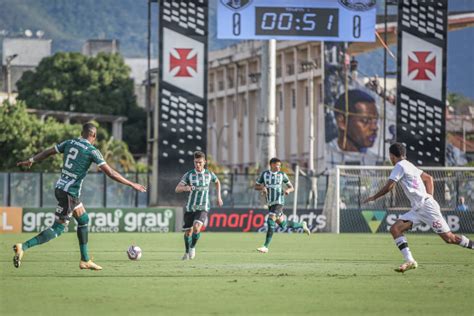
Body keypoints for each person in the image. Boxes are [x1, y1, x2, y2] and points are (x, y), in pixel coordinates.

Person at [13, 123, 146, 270]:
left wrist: (32, 160)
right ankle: (23, 246)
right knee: (58, 228)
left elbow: (48, 152)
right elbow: (111, 173)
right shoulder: (92, 151)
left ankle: (85, 260)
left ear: (82, 133)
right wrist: (132, 184)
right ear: (93, 136)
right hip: (70, 193)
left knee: (83, 219)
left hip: (61, 188)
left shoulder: (69, 142)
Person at [364, 143, 473, 273]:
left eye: (390, 156)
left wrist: (374, 197)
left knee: (449, 238)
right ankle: (410, 260)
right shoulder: (409, 165)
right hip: (418, 209)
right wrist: (429, 197)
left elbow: (389, 186)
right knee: (395, 229)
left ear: (392, 156)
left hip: (427, 208)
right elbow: (429, 179)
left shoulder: (399, 166)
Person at [255, 158, 311, 253]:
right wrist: (263, 188)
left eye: (280, 165)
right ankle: (302, 225)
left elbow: (291, 187)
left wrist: (288, 191)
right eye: (277, 165)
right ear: (272, 165)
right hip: (270, 203)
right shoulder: (264, 174)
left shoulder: (282, 175)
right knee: (283, 225)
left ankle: (265, 246)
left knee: (270, 220)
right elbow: (256, 186)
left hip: (279, 202)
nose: (279, 167)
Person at [175, 151, 223, 260]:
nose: (198, 165)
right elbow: (177, 189)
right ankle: (187, 252)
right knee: (188, 232)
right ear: (193, 162)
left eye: (200, 162)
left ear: (204, 162)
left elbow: (217, 182)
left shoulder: (209, 174)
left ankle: (192, 247)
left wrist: (219, 197)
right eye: (196, 162)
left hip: (203, 206)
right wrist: (186, 188)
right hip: (190, 207)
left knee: (196, 228)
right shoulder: (189, 175)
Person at [326, 89, 380, 167]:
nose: (374, 127)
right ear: (342, 122)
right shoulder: (324, 156)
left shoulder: (375, 162)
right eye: (365, 121)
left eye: (375, 121)